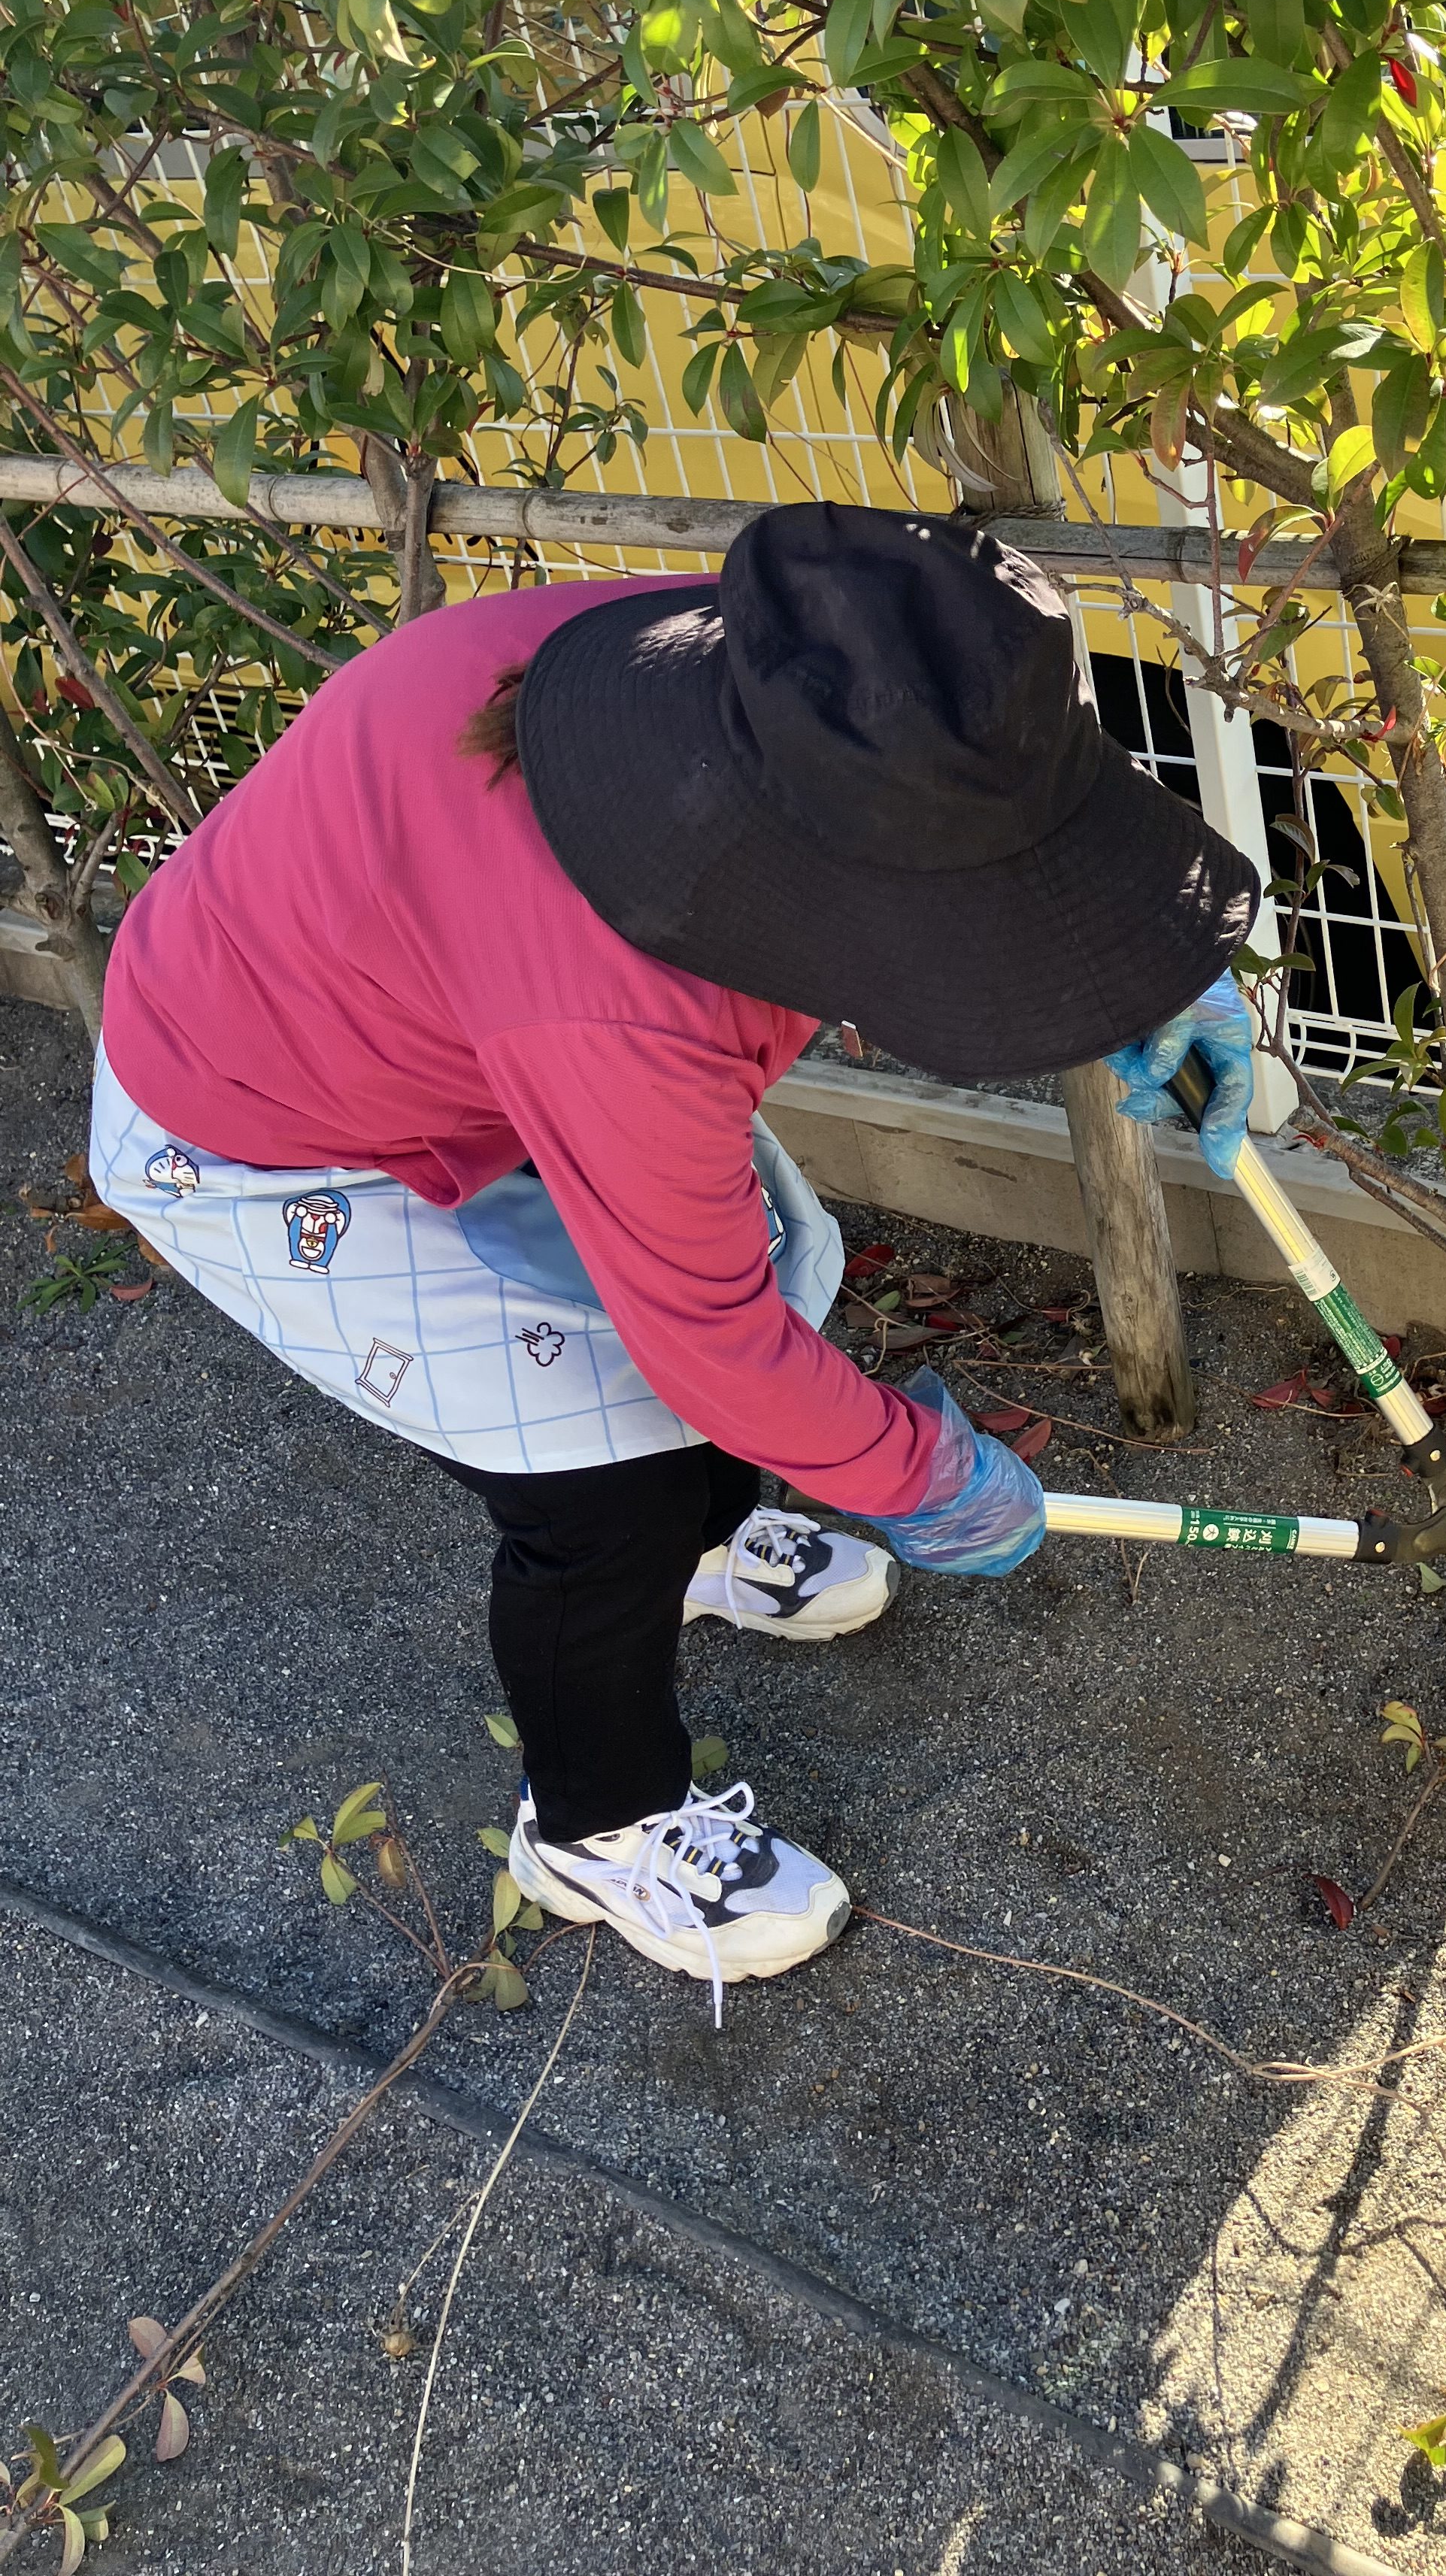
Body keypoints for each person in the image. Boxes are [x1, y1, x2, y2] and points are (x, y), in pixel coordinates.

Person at [91, 504, 1260, 2017]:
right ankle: (594, 1825)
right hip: (260, 1127)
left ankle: (701, 1557)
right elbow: (708, 1338)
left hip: (446, 1031)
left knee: (746, 1310)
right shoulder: (620, 998)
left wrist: (1124, 970)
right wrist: (920, 1473)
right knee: (600, 1491)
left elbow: (968, 822)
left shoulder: (798, 676)